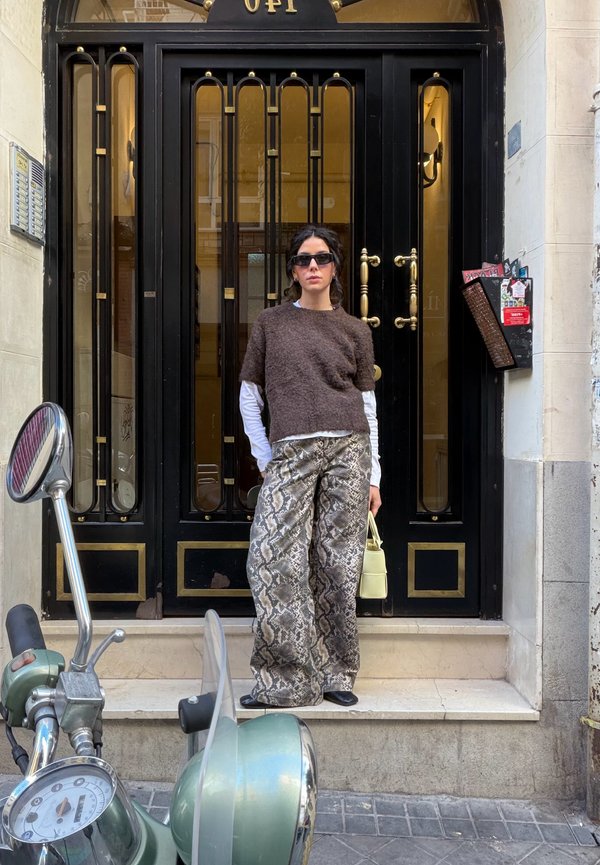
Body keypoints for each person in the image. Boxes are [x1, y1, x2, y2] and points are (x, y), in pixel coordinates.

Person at [238, 224, 382, 709]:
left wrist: (375, 473)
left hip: (349, 449)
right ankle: (286, 678)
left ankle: (336, 672)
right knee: (272, 557)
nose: (313, 266)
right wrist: (263, 455)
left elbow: (367, 403)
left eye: (321, 258)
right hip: (291, 452)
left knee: (336, 562)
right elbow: (249, 394)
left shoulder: (355, 330)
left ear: (336, 267)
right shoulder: (271, 323)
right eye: (303, 259)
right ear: (293, 270)